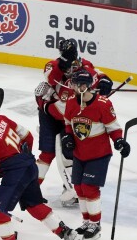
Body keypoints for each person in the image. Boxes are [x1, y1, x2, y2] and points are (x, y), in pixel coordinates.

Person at [0, 104, 81, 240]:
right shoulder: (0, 119)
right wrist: (23, 156)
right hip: (29, 165)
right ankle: (68, 234)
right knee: (34, 206)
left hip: (16, 173)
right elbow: (27, 135)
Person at [34, 39, 108, 206]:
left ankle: (72, 190)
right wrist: (44, 104)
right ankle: (31, 189)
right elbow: (58, 110)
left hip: (67, 114)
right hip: (51, 113)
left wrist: (104, 80)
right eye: (67, 68)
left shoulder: (82, 73)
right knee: (48, 153)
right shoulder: (54, 69)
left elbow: (96, 72)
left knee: (72, 152)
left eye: (74, 67)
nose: (70, 71)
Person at [61, 69, 130, 240]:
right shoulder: (70, 102)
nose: (79, 87)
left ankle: (95, 223)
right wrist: (68, 136)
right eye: (77, 84)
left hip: (99, 155)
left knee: (89, 188)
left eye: (83, 84)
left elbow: (113, 128)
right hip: (80, 154)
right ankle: (86, 221)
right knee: (78, 188)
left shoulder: (103, 104)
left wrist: (119, 141)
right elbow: (68, 123)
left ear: (90, 85)